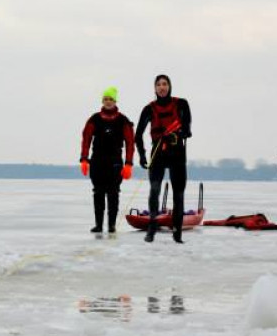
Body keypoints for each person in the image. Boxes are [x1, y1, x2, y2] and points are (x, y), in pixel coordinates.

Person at [135, 74, 192, 243]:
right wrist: (142, 155)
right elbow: (138, 135)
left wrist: (178, 134)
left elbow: (187, 129)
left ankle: (178, 231)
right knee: (154, 190)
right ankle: (152, 228)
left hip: (177, 154)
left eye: (165, 84)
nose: (162, 87)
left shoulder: (182, 104)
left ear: (169, 86)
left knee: (178, 194)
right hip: (158, 153)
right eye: (159, 84)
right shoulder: (149, 109)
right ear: (155, 88)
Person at [79, 87, 135, 233]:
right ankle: (98, 225)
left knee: (113, 193)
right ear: (102, 101)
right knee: (98, 192)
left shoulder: (123, 120)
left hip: (115, 163)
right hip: (97, 161)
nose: (108, 102)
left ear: (115, 101)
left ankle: (111, 225)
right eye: (106, 99)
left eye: (111, 99)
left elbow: (130, 142)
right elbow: (86, 139)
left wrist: (129, 163)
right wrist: (84, 159)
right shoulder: (94, 119)